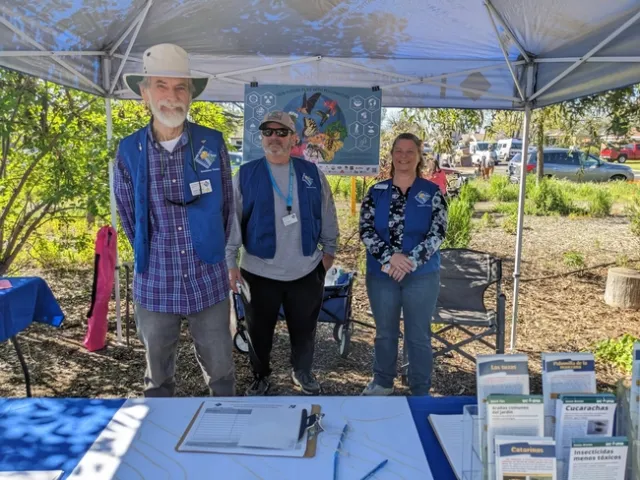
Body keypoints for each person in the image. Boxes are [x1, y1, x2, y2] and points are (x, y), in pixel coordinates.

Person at [114, 44, 235, 397]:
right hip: (155, 281)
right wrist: (151, 254)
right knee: (157, 380)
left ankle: (224, 437)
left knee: (222, 374)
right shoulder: (129, 151)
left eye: (180, 87)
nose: (171, 96)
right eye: (162, 85)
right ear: (145, 93)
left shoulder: (211, 143)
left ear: (191, 95)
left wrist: (209, 245)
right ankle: (158, 441)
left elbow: (226, 206)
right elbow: (129, 217)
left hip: (207, 279)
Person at [226, 111, 339, 396]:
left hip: (305, 270)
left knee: (304, 330)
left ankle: (302, 371)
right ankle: (260, 375)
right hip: (258, 271)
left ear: (294, 139)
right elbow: (231, 221)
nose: (274, 137)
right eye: (268, 132)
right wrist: (230, 262)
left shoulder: (311, 173)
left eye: (282, 132)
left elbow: (327, 214)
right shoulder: (246, 174)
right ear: (261, 137)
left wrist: (329, 255)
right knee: (258, 332)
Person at [360, 133, 448, 396]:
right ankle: (383, 382)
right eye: (399, 151)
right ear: (392, 154)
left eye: (410, 152)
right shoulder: (376, 192)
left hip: (421, 276)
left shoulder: (432, 192)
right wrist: (390, 258)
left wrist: (409, 261)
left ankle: (420, 387)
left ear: (419, 156)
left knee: (418, 335)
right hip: (381, 275)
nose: (404, 156)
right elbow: (366, 230)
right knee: (385, 332)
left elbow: (438, 233)